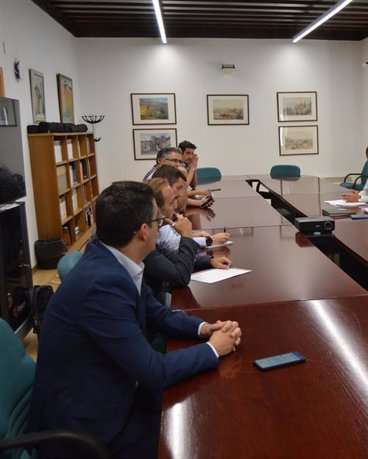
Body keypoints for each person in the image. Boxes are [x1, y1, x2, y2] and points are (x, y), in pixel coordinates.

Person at [28, 181, 242, 458]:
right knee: (201, 434)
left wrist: (204, 328)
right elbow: (153, 371)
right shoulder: (101, 285)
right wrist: (214, 348)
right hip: (86, 429)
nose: (164, 224)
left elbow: (156, 313)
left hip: (107, 391)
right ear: (143, 231)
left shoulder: (112, 259)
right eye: (158, 220)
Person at [144, 178, 231, 297]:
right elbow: (180, 276)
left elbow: (170, 259)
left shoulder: (156, 234)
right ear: (157, 210)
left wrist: (209, 261)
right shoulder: (146, 245)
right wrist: (186, 236)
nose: (176, 206)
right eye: (171, 202)